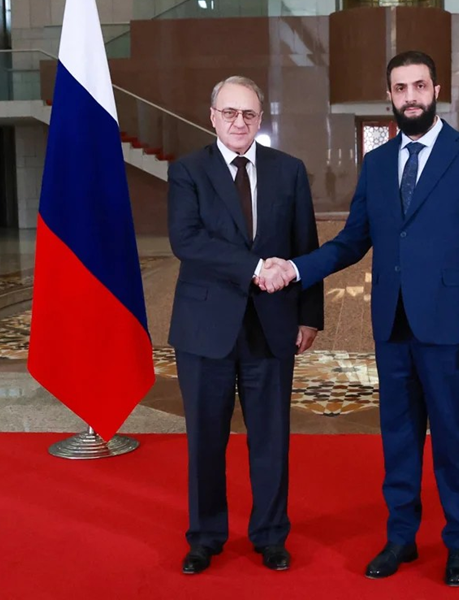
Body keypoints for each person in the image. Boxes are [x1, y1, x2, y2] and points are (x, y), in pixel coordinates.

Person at [258, 51, 459, 587]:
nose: (410, 97)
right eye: (400, 88)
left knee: (454, 442)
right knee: (398, 439)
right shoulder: (377, 163)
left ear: (436, 90)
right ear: (389, 96)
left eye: (419, 86)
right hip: (393, 328)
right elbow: (352, 241)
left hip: (450, 331)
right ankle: (401, 538)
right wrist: (295, 268)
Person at [167, 76, 324, 575]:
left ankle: (271, 535)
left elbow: (305, 244)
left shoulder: (288, 170)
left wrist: (309, 316)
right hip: (204, 327)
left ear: (261, 118)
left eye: (249, 114)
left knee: (271, 439)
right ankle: (205, 537)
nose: (239, 122)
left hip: (272, 326)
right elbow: (187, 241)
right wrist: (255, 268)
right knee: (205, 439)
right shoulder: (187, 170)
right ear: (212, 116)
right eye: (230, 112)